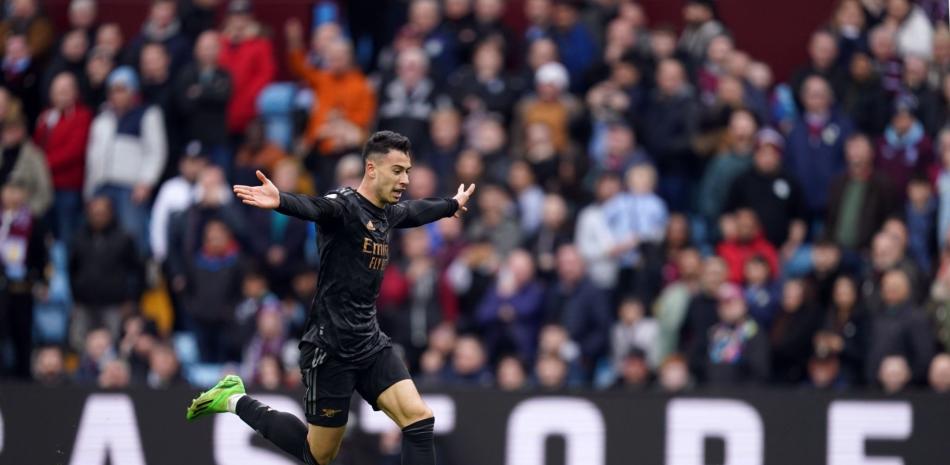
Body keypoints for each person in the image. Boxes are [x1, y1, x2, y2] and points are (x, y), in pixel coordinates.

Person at [187, 131, 475, 465]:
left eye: (408, 171)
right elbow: (316, 207)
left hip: (369, 341)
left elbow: (413, 212)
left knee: (419, 420)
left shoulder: (385, 213)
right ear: (372, 169)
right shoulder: (344, 205)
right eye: (398, 171)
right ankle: (235, 399)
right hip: (330, 347)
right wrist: (281, 200)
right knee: (318, 455)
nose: (405, 179)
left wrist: (451, 205)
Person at [33, 71, 93, 242]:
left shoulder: (82, 115)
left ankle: (67, 267)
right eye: (58, 90)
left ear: (75, 92)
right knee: (48, 232)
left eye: (66, 90)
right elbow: (37, 146)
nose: (62, 94)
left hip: (68, 186)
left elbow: (74, 151)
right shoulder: (46, 117)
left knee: (68, 232)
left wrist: (42, 164)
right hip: (45, 185)